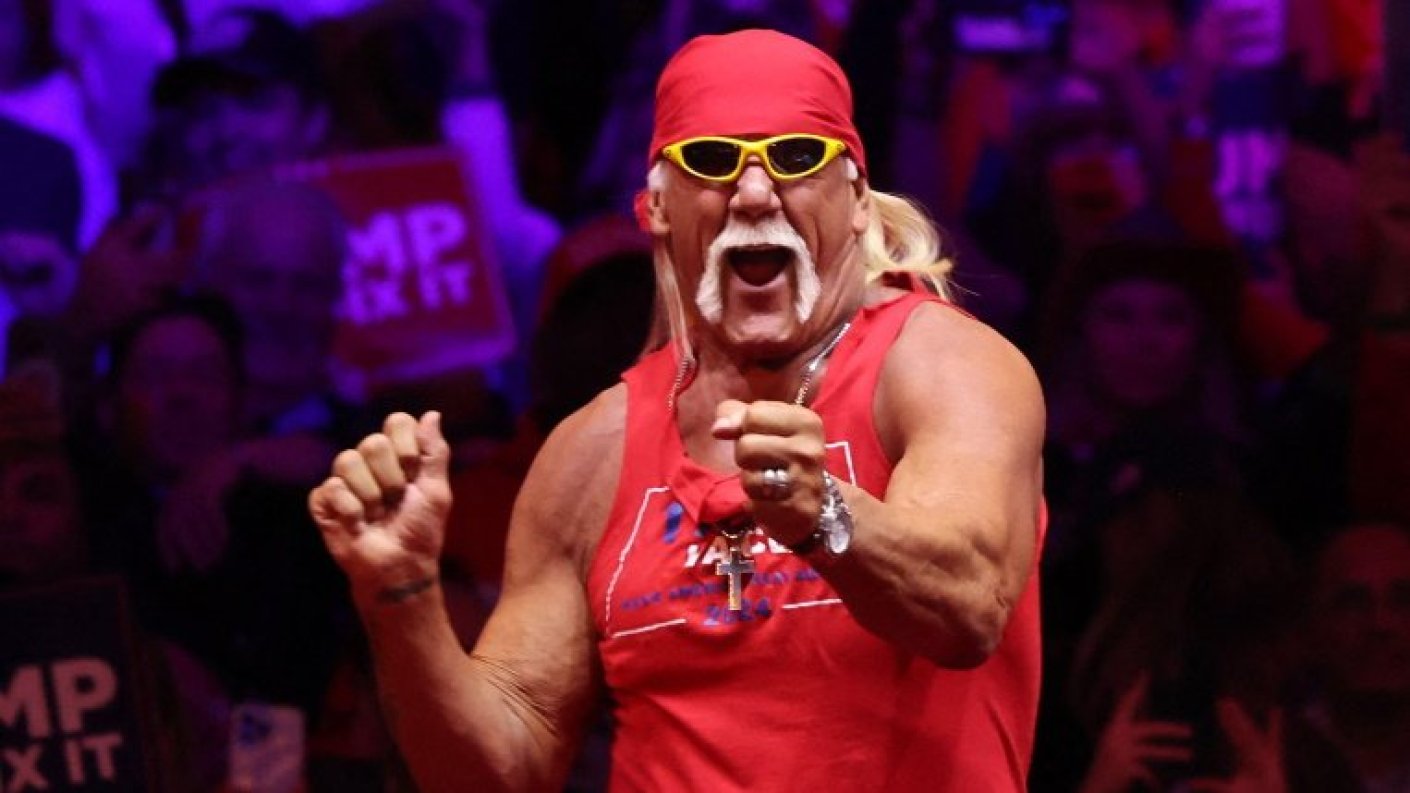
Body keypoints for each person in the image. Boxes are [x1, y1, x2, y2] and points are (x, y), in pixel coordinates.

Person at [309, 29, 1046, 791]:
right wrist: (399, 592)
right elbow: (500, 770)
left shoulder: (943, 365)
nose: (754, 194)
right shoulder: (594, 450)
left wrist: (824, 513)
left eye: (796, 157)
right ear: (657, 207)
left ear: (857, 201)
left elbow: (970, 607)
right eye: (713, 161)